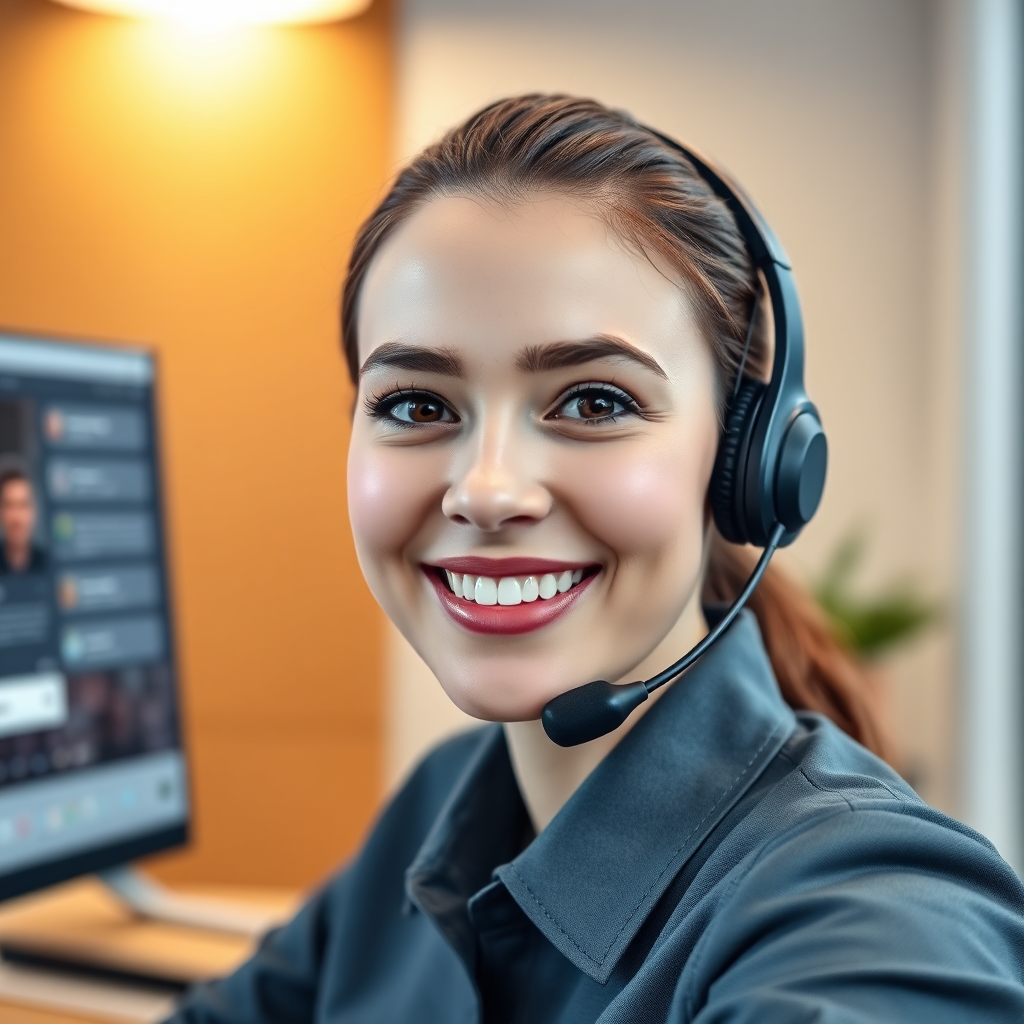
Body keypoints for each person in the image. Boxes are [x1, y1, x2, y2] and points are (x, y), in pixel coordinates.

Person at [169, 96, 1024, 1023]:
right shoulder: (448, 805)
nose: (487, 489)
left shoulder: (874, 919)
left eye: (594, 402)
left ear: (747, 463)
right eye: (417, 406)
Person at [0, 468, 46, 574]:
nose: (17, 518)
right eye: (9, 505)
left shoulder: (50, 566)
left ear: (34, 512)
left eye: (23, 505)